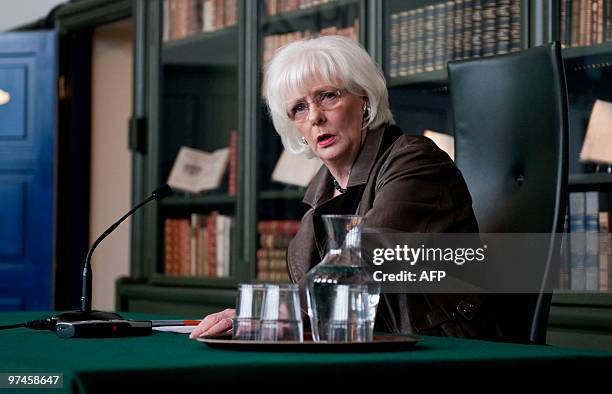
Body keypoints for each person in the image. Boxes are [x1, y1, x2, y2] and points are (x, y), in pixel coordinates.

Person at [190, 35, 500, 340]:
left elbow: (362, 261)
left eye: (328, 96)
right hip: (364, 352)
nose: (315, 117)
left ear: (364, 101)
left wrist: (264, 311)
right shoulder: (320, 194)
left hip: (440, 353)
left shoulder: (415, 161)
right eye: (299, 108)